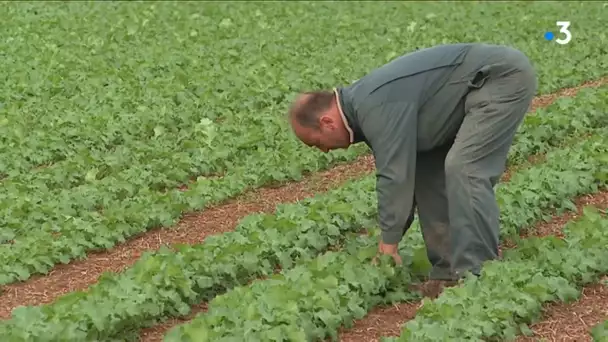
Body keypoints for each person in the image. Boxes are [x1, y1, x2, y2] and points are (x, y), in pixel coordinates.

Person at [287, 43, 537, 282]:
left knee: (465, 167)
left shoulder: (374, 105)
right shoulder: (365, 106)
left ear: (327, 123)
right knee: (426, 174)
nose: (324, 152)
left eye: (316, 143)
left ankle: (479, 272)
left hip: (500, 77)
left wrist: (389, 244)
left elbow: (395, 176)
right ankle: (448, 272)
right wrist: (392, 233)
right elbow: (406, 176)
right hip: (470, 91)